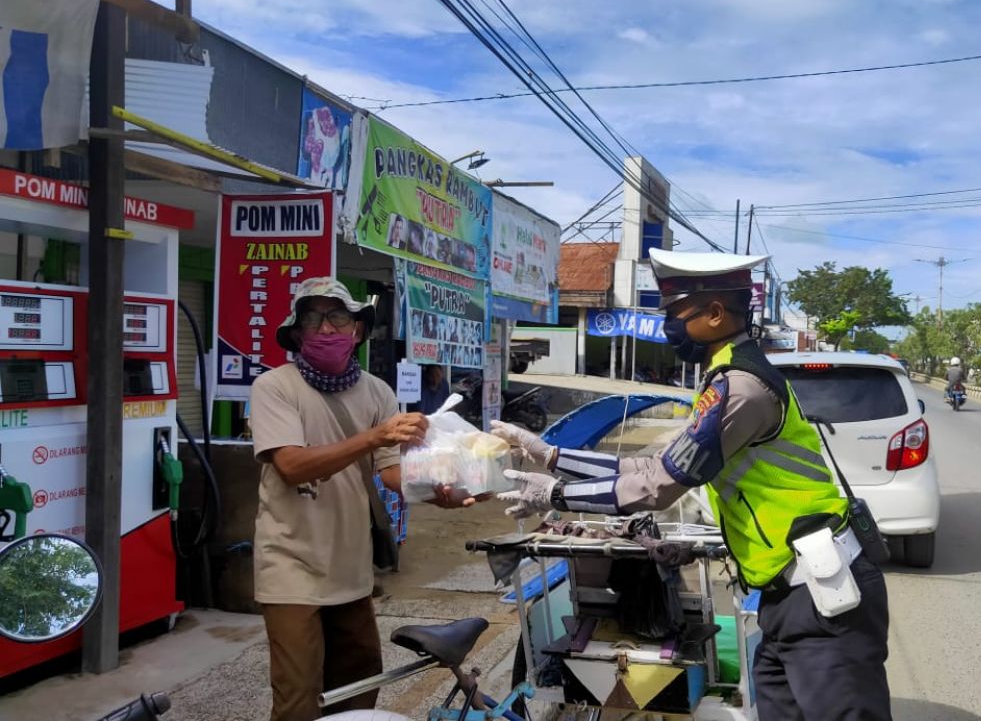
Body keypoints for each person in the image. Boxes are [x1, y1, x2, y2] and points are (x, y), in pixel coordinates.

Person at [491, 249, 892, 720]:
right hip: (787, 599)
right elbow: (655, 465)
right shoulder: (724, 377)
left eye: (675, 314)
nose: (668, 326)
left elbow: (659, 487)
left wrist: (555, 495)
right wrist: (552, 456)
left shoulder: (740, 388)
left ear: (716, 314)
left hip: (822, 602)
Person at [249, 277, 475, 721]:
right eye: (313, 318)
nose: (327, 328)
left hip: (350, 564)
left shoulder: (376, 392)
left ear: (357, 330)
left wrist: (437, 492)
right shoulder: (275, 387)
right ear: (298, 333)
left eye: (338, 317)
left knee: (360, 680)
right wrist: (371, 436)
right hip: (290, 564)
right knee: (299, 697)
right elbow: (292, 465)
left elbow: (391, 471)